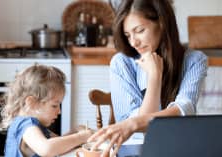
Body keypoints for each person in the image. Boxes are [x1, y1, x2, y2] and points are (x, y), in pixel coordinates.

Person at [88, 0, 208, 156]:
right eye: (128, 35)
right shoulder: (121, 63)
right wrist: (154, 78)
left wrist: (132, 123)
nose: (133, 42)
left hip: (177, 148)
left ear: (162, 23)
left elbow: (183, 109)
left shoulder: (194, 60)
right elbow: (138, 133)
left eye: (139, 30)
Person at [0, 64, 93, 157]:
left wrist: (74, 131)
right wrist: (80, 137)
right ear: (32, 103)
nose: (59, 111)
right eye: (54, 105)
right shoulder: (26, 126)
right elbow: (47, 148)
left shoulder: (35, 124)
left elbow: (58, 143)